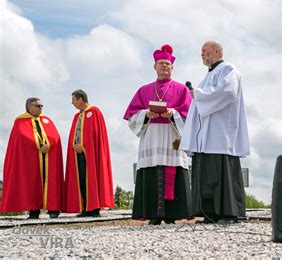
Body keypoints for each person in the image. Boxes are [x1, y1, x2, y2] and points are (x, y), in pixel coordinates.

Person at [180, 40, 250, 225]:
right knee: (207, 173)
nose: (202, 55)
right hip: (206, 135)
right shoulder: (209, 75)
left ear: (217, 51)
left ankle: (229, 212)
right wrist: (199, 95)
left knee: (222, 171)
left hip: (221, 132)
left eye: (205, 51)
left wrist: (199, 95)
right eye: (201, 52)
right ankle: (210, 212)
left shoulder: (228, 70)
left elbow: (228, 92)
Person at [124, 44, 193, 225]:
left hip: (172, 136)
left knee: (174, 171)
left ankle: (172, 214)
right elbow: (132, 116)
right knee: (152, 171)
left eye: (167, 64)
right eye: (161, 63)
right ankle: (153, 214)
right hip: (151, 136)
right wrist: (145, 114)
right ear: (154, 67)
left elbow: (191, 116)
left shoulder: (182, 90)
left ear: (172, 67)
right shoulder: (143, 89)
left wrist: (173, 114)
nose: (164, 66)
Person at [0, 98, 63, 219]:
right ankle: (34, 211)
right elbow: (22, 136)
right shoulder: (20, 121)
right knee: (32, 183)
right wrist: (38, 145)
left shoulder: (47, 120)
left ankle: (53, 209)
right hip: (31, 158)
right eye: (38, 106)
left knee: (51, 182)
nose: (41, 108)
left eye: (41, 106)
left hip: (49, 157)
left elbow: (55, 135)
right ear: (30, 107)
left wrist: (49, 144)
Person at [63, 90, 114, 217]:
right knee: (81, 179)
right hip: (78, 154)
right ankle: (85, 207)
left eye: (73, 99)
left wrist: (84, 145)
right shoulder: (77, 116)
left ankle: (94, 208)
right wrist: (75, 145)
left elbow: (94, 134)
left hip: (91, 153)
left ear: (81, 99)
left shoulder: (94, 112)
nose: (72, 103)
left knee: (92, 178)